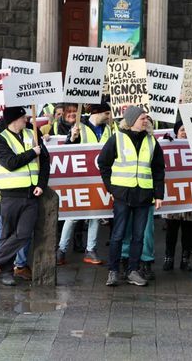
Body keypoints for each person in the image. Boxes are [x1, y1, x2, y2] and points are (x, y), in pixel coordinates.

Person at [0, 106, 49, 286]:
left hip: (30, 194)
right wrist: (32, 152)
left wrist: (41, 184)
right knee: (8, 234)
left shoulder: (33, 133)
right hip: (10, 195)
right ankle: (6, 272)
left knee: (24, 234)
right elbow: (10, 163)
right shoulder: (1, 140)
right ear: (13, 120)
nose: (26, 120)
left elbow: (45, 160)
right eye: (23, 117)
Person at [98, 106, 165, 287]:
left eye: (146, 118)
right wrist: (111, 188)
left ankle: (132, 271)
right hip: (122, 195)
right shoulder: (117, 138)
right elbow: (102, 163)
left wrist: (159, 195)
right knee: (118, 235)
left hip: (143, 195)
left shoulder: (152, 141)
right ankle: (113, 271)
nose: (146, 121)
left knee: (138, 236)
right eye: (143, 118)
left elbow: (159, 169)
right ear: (132, 120)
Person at [57, 101, 113, 266]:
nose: (109, 117)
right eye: (107, 113)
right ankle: (61, 250)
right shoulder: (79, 127)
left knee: (96, 213)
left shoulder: (108, 129)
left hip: (99, 178)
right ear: (98, 113)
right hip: (81, 179)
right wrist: (72, 138)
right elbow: (68, 151)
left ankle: (91, 250)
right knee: (74, 216)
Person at [162, 120, 192, 272]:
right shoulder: (168, 144)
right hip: (174, 195)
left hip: (191, 194)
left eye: (188, 130)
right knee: (171, 230)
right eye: (182, 130)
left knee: (189, 230)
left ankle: (185, 258)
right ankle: (169, 258)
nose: (185, 133)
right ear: (176, 132)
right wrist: (165, 142)